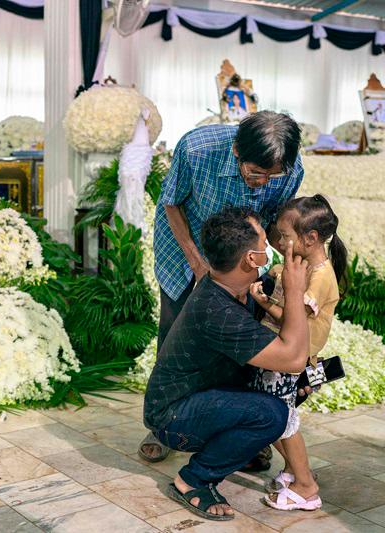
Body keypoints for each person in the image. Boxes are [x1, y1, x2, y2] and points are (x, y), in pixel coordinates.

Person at [138, 111, 304, 464]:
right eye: (255, 173)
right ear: (235, 152)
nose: (263, 182)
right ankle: (165, 422)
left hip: (244, 261)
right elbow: (171, 202)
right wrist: (198, 263)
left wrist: (284, 261)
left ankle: (241, 431)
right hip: (186, 252)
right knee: (176, 334)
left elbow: (273, 221)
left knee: (245, 342)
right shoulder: (197, 149)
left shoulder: (289, 167)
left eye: (272, 176)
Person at [144, 206, 310, 521]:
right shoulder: (218, 311)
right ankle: (194, 479)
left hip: (193, 397)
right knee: (271, 415)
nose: (269, 249)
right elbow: (293, 359)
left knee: (269, 397)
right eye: (264, 243)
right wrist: (295, 289)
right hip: (172, 416)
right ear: (250, 259)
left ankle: (230, 451)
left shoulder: (229, 286)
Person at [249, 194, 347, 511]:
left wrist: (265, 303)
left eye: (286, 236)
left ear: (311, 238)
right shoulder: (301, 264)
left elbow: (295, 323)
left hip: (290, 357)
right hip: (279, 352)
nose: (280, 241)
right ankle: (294, 470)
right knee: (273, 417)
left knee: (282, 422)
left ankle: (306, 486)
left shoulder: (320, 278)